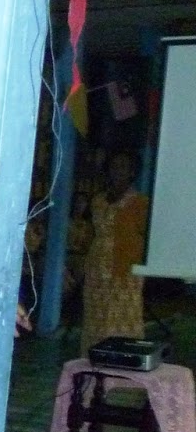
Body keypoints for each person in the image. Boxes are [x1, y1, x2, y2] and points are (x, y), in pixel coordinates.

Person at [80, 150, 149, 356]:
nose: (117, 171)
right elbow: (91, 233)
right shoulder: (98, 201)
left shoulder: (140, 203)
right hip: (96, 269)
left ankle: (123, 362)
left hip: (125, 269)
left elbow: (145, 237)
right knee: (96, 318)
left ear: (132, 172)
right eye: (114, 166)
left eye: (123, 167)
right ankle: (94, 358)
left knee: (122, 317)